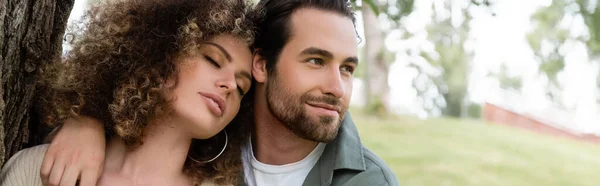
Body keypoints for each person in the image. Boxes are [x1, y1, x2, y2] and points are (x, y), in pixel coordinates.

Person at [37, 0, 400, 186]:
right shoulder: (214, 137)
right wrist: (83, 119)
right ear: (263, 66)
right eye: (316, 60)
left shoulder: (368, 182)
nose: (337, 88)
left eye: (348, 69)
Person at [0, 0, 258, 185]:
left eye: (243, 88)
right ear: (160, 54)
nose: (231, 85)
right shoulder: (38, 169)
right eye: (213, 60)